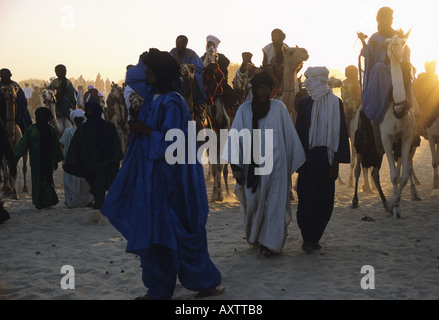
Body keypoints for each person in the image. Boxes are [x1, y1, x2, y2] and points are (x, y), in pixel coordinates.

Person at [101, 48, 224, 300]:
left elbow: (174, 144)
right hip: (150, 178)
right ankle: (158, 289)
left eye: (149, 68)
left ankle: (207, 283)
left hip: (172, 180)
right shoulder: (152, 100)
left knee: (181, 231)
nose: (145, 71)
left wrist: (144, 130)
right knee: (154, 236)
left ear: (159, 73)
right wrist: (138, 129)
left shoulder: (173, 102)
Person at [223, 72, 306, 257]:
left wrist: (293, 164)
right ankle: (258, 237)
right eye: (260, 88)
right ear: (254, 90)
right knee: (253, 204)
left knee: (275, 204)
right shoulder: (244, 110)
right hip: (251, 170)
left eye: (267, 88)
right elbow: (235, 138)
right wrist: (236, 167)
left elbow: (289, 137)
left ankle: (272, 244)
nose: (263, 92)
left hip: (276, 168)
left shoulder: (279, 108)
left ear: (271, 90)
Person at [295, 67, 350, 253]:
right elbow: (299, 132)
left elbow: (341, 131)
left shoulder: (336, 103)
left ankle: (315, 237)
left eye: (310, 79)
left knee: (325, 203)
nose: (307, 82)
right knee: (306, 201)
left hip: (327, 159)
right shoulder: (304, 103)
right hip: (307, 158)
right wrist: (298, 160)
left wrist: (337, 161)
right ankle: (307, 239)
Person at [358, 7, 412, 153]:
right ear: (379, 19)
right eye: (385, 18)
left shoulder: (397, 35)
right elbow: (368, 53)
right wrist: (363, 43)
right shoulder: (375, 38)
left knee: (406, 69)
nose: (388, 20)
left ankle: (414, 110)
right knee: (379, 67)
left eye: (390, 18)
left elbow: (406, 51)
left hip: (396, 69)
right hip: (381, 74)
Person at [63, 101, 123, 210]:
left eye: (92, 111)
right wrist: (70, 164)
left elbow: (116, 148)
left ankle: (99, 210)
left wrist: (109, 161)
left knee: (100, 190)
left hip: (106, 165)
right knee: (95, 189)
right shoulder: (82, 129)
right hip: (89, 166)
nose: (89, 114)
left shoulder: (109, 127)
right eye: (88, 111)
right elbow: (74, 147)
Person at [14, 107, 64, 210]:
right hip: (35, 160)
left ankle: (47, 201)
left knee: (47, 180)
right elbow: (23, 144)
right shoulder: (31, 129)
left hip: (48, 160)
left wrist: (55, 161)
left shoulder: (51, 130)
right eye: (37, 116)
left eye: (41, 116)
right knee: (36, 180)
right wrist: (15, 157)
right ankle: (39, 202)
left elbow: (55, 146)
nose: (38, 118)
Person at [59, 109, 94, 208]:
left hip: (83, 161)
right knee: (70, 182)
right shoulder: (68, 131)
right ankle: (70, 201)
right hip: (70, 161)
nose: (79, 121)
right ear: (73, 120)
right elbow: (61, 144)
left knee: (85, 183)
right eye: (77, 119)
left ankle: (87, 201)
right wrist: (64, 157)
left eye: (80, 119)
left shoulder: (87, 131)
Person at [170, 35, 207, 106]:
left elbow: (198, 68)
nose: (177, 45)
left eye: (179, 43)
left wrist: (188, 68)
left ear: (185, 44)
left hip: (188, 78)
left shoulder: (192, 54)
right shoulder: (173, 52)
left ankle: (196, 104)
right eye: (176, 43)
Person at [0, 68, 32, 135]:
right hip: (2, 111)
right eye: (3, 76)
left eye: (6, 75)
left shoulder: (15, 86)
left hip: (16, 111)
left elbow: (22, 100)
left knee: (26, 121)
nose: (5, 77)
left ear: (10, 75)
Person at [262, 29, 289, 96]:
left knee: (284, 69)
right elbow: (264, 62)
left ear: (280, 37)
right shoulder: (267, 48)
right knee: (271, 69)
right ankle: (280, 87)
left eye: (276, 36)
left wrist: (282, 64)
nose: (274, 39)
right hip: (269, 67)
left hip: (282, 67)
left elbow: (288, 59)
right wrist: (272, 64)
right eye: (273, 37)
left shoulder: (286, 47)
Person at [340, 65, 362, 129]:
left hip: (353, 105)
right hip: (351, 106)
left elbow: (343, 97)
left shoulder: (345, 83)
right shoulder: (346, 84)